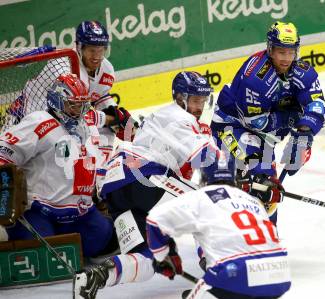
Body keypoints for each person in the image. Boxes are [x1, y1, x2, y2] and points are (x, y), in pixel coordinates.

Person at [73, 71, 221, 299]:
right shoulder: (180, 118)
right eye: (194, 100)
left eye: (202, 101)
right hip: (143, 175)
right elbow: (207, 158)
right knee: (204, 206)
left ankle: (96, 277)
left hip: (115, 187)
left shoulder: (163, 118)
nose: (199, 107)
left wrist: (166, 248)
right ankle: (217, 272)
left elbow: (181, 179)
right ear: (180, 98)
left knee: (148, 258)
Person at [211, 21, 325, 223]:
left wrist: (303, 135)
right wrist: (290, 117)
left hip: (264, 133)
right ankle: (215, 244)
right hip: (231, 127)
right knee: (256, 182)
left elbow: (318, 107)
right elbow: (256, 124)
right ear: (270, 49)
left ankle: (267, 239)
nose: (286, 58)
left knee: (268, 190)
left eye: (291, 52)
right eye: (281, 52)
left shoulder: (302, 72)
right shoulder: (255, 78)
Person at [0, 73, 113, 258]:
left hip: (79, 212)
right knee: (42, 256)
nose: (79, 111)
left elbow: (98, 119)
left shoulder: (85, 124)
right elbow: (4, 151)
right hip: (38, 211)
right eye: (72, 104)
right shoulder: (40, 122)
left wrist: (115, 117)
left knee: (104, 240)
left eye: (83, 105)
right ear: (56, 101)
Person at [147, 160, 291, 299]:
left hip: (236, 273)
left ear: (204, 178)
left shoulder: (201, 197)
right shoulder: (252, 200)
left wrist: (163, 256)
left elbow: (155, 220)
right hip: (279, 273)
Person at [75, 20, 136, 162]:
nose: (97, 57)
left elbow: (99, 95)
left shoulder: (107, 70)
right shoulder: (68, 69)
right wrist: (108, 119)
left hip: (71, 113)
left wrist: (115, 112)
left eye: (101, 50)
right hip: (41, 116)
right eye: (91, 50)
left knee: (107, 130)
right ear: (80, 48)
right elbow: (71, 114)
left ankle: (100, 172)